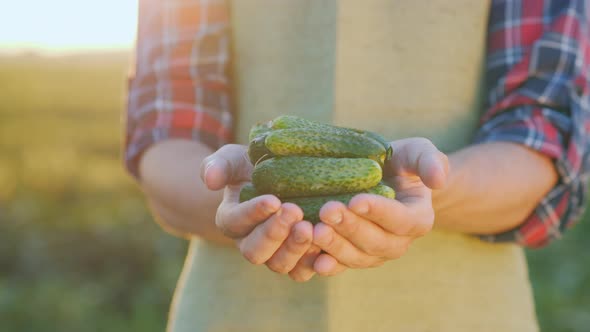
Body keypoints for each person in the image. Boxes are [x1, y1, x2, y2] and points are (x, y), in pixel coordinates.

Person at [125, 0, 590, 331]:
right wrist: (227, 196)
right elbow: (168, 133)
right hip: (235, 314)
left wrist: (424, 190)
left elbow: (539, 137)